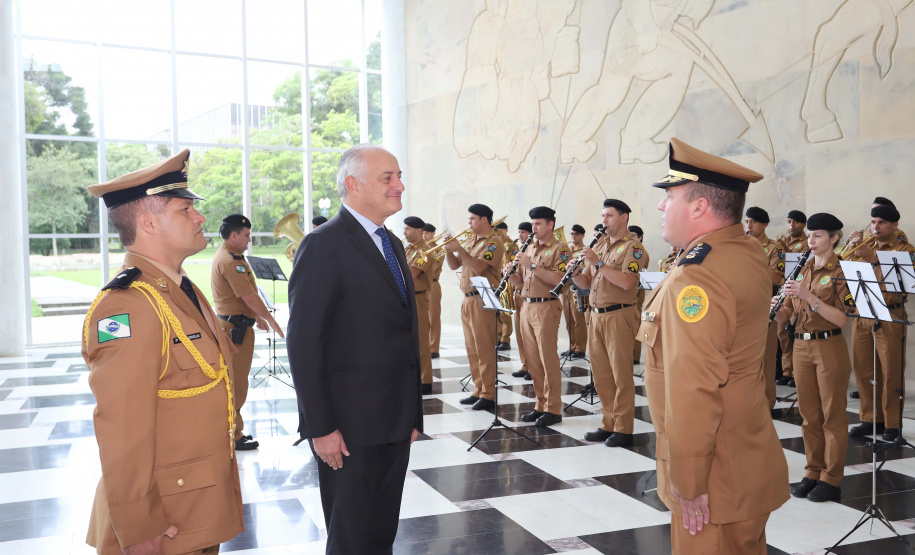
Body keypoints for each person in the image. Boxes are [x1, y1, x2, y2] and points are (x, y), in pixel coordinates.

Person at [82, 149, 244, 554]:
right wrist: (138, 527)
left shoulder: (178, 288)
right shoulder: (129, 304)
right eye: (185, 209)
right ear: (148, 222)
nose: (200, 217)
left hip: (194, 508)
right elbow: (121, 427)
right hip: (162, 524)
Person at [640, 138, 788, 553]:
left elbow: (694, 387)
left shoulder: (697, 276)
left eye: (669, 197)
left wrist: (689, 482)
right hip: (744, 454)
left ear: (699, 207)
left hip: (713, 477)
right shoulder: (744, 250)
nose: (660, 206)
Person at [286, 144, 423, 555]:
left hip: (393, 421)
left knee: (381, 532)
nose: (399, 186)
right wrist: (320, 427)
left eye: (399, 176)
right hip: (348, 427)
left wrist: (411, 414)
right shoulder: (324, 245)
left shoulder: (392, 243)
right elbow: (304, 343)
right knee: (350, 537)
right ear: (353, 184)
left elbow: (402, 334)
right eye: (388, 178)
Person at [772, 213, 854, 503]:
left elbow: (842, 319)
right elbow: (787, 314)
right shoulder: (803, 269)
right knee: (809, 416)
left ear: (833, 237)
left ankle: (831, 479)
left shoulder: (842, 271)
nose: (811, 241)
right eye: (809, 236)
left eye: (817, 235)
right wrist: (775, 306)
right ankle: (813, 471)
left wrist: (809, 297)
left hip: (828, 346)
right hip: (801, 347)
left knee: (832, 416)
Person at [210, 214, 285, 452]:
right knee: (236, 385)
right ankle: (233, 435)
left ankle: (234, 430)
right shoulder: (231, 260)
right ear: (234, 235)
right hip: (235, 331)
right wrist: (269, 318)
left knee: (234, 383)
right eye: (246, 235)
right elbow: (249, 296)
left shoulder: (231, 256)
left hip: (236, 325)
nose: (249, 239)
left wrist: (256, 318)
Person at [572, 200, 642, 446]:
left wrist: (598, 263)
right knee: (601, 374)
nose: (604, 221)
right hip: (596, 315)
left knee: (621, 374)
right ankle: (608, 422)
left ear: (623, 218)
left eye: (609, 216)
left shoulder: (634, 249)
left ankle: (624, 429)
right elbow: (587, 283)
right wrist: (573, 274)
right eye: (603, 216)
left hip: (619, 315)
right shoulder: (600, 246)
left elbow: (626, 282)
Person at [847, 204, 914, 441]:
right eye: (873, 222)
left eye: (881, 222)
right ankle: (870, 419)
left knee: (890, 373)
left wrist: (874, 260)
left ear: (895, 225)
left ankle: (893, 425)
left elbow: (901, 284)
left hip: (890, 316)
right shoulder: (865, 247)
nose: (875, 227)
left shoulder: (905, 250)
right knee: (865, 372)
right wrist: (852, 249)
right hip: (862, 315)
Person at [509, 206, 570, 427]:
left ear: (550, 225)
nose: (533, 228)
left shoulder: (560, 249)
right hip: (526, 305)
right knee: (533, 360)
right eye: (532, 224)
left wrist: (532, 265)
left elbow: (559, 279)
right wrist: (512, 274)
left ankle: (553, 408)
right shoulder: (530, 248)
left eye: (538, 224)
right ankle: (540, 404)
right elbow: (521, 282)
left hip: (546, 307)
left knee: (547, 359)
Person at [444, 204, 506, 410]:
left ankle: (488, 394)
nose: (469, 222)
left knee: (485, 348)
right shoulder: (472, 241)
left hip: (483, 297)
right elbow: (454, 265)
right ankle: (478, 389)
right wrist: (448, 251)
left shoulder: (494, 242)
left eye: (472, 219)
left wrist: (459, 249)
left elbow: (479, 268)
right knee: (472, 349)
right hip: (468, 298)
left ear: (484, 220)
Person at [745, 206, 786, 410]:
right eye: (746, 221)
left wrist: (750, 265)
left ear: (764, 225)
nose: (749, 226)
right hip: (742, 307)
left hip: (765, 307)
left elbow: (775, 278)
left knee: (767, 358)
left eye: (753, 221)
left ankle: (767, 403)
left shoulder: (773, 248)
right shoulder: (740, 245)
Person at [775, 210, 809, 387]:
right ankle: (786, 371)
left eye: (795, 222)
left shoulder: (806, 243)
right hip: (784, 290)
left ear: (803, 225)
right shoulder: (783, 241)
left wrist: (785, 249)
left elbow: (800, 264)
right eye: (789, 221)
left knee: (794, 333)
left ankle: (797, 373)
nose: (791, 225)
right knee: (782, 334)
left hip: (798, 292)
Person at [403, 216, 435, 394]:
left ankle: (425, 380)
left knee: (422, 340)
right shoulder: (409, 249)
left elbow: (411, 273)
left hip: (418, 298)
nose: (404, 232)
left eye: (407, 229)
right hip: (407, 297)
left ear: (418, 231)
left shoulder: (426, 251)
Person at [561, 224, 588, 360]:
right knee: (568, 319)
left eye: (576, 234)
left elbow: (585, 269)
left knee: (578, 320)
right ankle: (572, 346)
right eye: (572, 234)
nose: (573, 236)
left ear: (582, 235)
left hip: (576, 288)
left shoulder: (584, 251)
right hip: (566, 288)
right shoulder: (568, 250)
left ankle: (580, 348)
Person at [511, 221, 533, 380]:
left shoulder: (533, 251)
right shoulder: (522, 250)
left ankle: (534, 366)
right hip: (518, 295)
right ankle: (525, 364)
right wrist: (510, 274)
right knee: (520, 333)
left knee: (530, 336)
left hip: (531, 297)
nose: (520, 235)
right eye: (519, 232)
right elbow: (519, 279)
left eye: (523, 232)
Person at [629, 224, 650, 365]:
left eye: (633, 236)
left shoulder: (640, 251)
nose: (630, 239)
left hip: (636, 291)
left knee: (634, 323)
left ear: (640, 238)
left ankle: (635, 356)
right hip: (627, 292)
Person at [422, 223, 444, 358]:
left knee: (433, 317)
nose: (424, 236)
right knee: (422, 318)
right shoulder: (420, 248)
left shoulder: (437, 249)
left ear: (432, 233)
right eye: (422, 233)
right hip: (420, 285)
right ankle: (423, 345)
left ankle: (434, 348)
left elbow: (433, 268)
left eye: (426, 233)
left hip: (432, 284)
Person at [494, 221, 515, 351]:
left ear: (506, 230)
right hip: (496, 279)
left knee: (505, 312)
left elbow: (513, 262)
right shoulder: (496, 244)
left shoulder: (513, 246)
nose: (498, 234)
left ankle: (506, 339)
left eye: (500, 231)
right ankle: (498, 337)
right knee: (496, 311)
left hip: (507, 279)